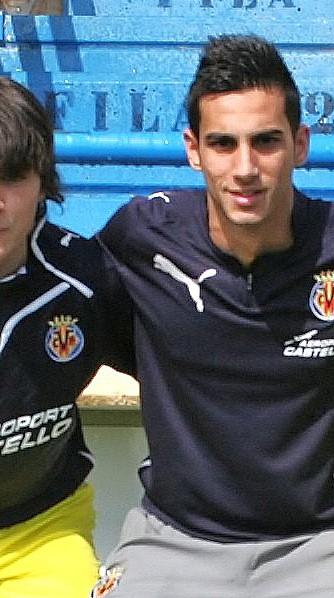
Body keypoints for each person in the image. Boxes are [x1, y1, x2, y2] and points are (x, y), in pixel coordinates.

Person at [91, 34, 334, 598]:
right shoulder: (142, 235)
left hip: (325, 542)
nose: (245, 167)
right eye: (223, 143)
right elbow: (74, 309)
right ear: (193, 149)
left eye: (266, 142)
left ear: (300, 144)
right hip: (172, 539)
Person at [0, 77, 134, 597]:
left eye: (12, 177)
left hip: (42, 531)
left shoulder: (86, 279)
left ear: (43, 182)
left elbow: (180, 378)